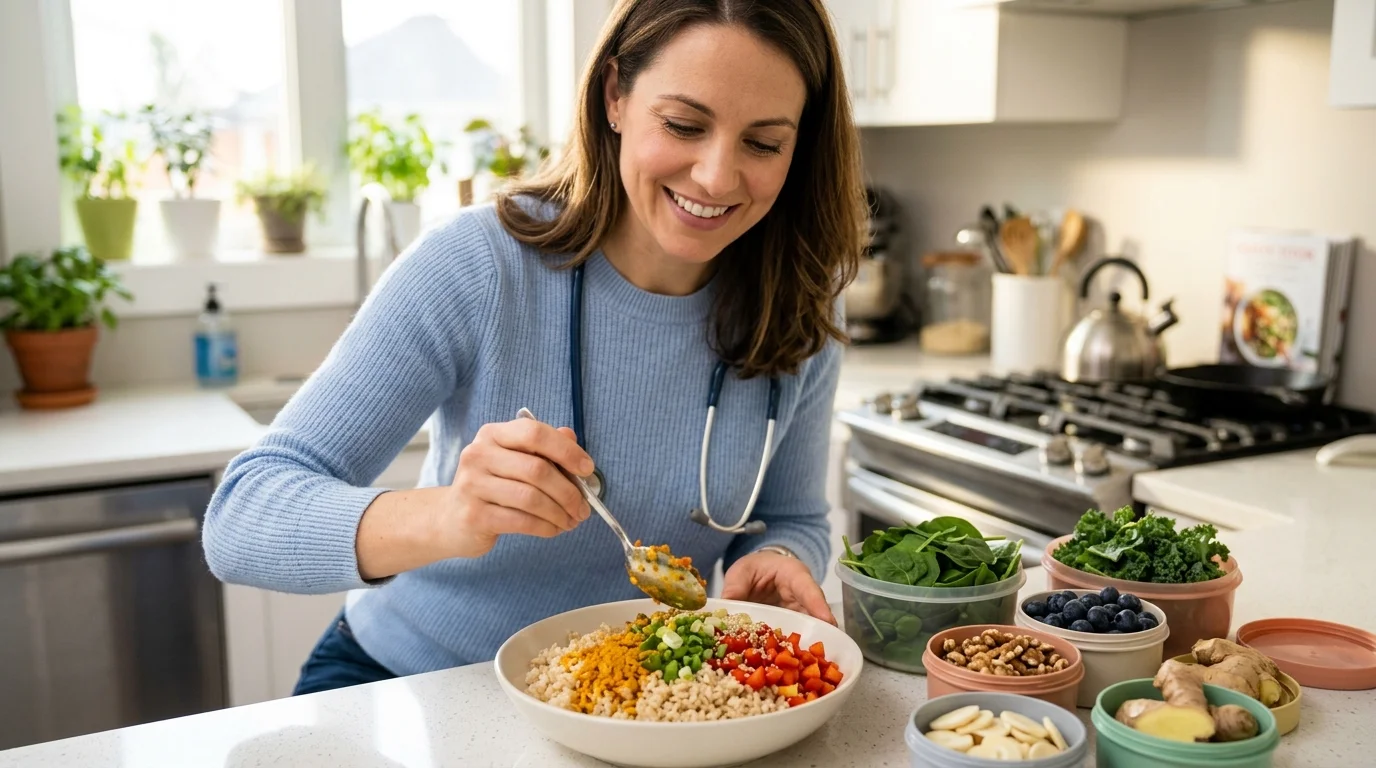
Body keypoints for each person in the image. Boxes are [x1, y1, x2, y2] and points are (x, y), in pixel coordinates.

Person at [202, 0, 865, 695]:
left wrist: (782, 555)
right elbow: (244, 518)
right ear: (615, 95)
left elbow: (791, 516)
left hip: (639, 704)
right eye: (683, 125)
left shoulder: (804, 299)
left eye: (763, 143)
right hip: (408, 687)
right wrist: (451, 515)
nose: (716, 177)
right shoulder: (480, 265)